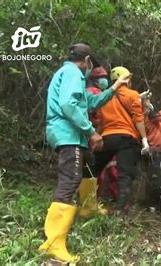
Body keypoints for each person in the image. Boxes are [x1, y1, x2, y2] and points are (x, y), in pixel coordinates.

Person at [39, 43, 129, 263]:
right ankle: (53, 242)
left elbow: (93, 101)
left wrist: (115, 86)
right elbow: (69, 104)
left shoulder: (73, 77)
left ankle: (88, 208)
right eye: (92, 64)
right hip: (67, 133)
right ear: (87, 60)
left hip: (73, 135)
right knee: (70, 179)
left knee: (89, 165)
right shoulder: (71, 72)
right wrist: (91, 132)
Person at [92, 66, 149, 217]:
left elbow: (100, 122)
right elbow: (138, 118)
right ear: (127, 79)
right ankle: (121, 211)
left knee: (93, 169)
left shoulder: (105, 96)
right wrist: (144, 138)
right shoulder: (132, 94)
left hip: (107, 137)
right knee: (125, 175)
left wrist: (95, 138)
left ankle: (86, 201)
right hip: (127, 138)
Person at [78, 66, 112, 218]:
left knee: (91, 167)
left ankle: (89, 203)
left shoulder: (93, 92)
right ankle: (86, 205)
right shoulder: (93, 92)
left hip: (94, 132)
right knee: (90, 167)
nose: (105, 80)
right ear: (96, 80)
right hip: (91, 133)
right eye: (102, 78)